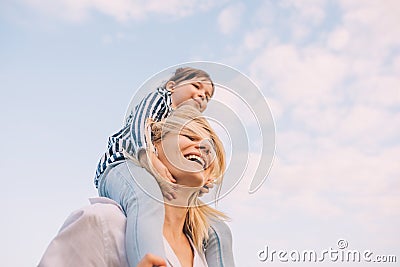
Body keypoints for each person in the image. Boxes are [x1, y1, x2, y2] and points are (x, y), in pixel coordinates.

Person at [38, 106, 235, 267]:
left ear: (210, 177)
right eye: (190, 137)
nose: (203, 147)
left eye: (211, 148)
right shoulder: (103, 223)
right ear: (153, 147)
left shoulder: (205, 255)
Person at [94, 67, 234, 266]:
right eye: (196, 86)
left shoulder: (179, 120)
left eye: (207, 96)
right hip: (121, 163)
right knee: (145, 195)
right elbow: (138, 125)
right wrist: (147, 155)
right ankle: (150, 258)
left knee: (218, 230)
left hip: (150, 168)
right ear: (171, 86)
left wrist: (198, 179)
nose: (202, 95)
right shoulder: (158, 100)